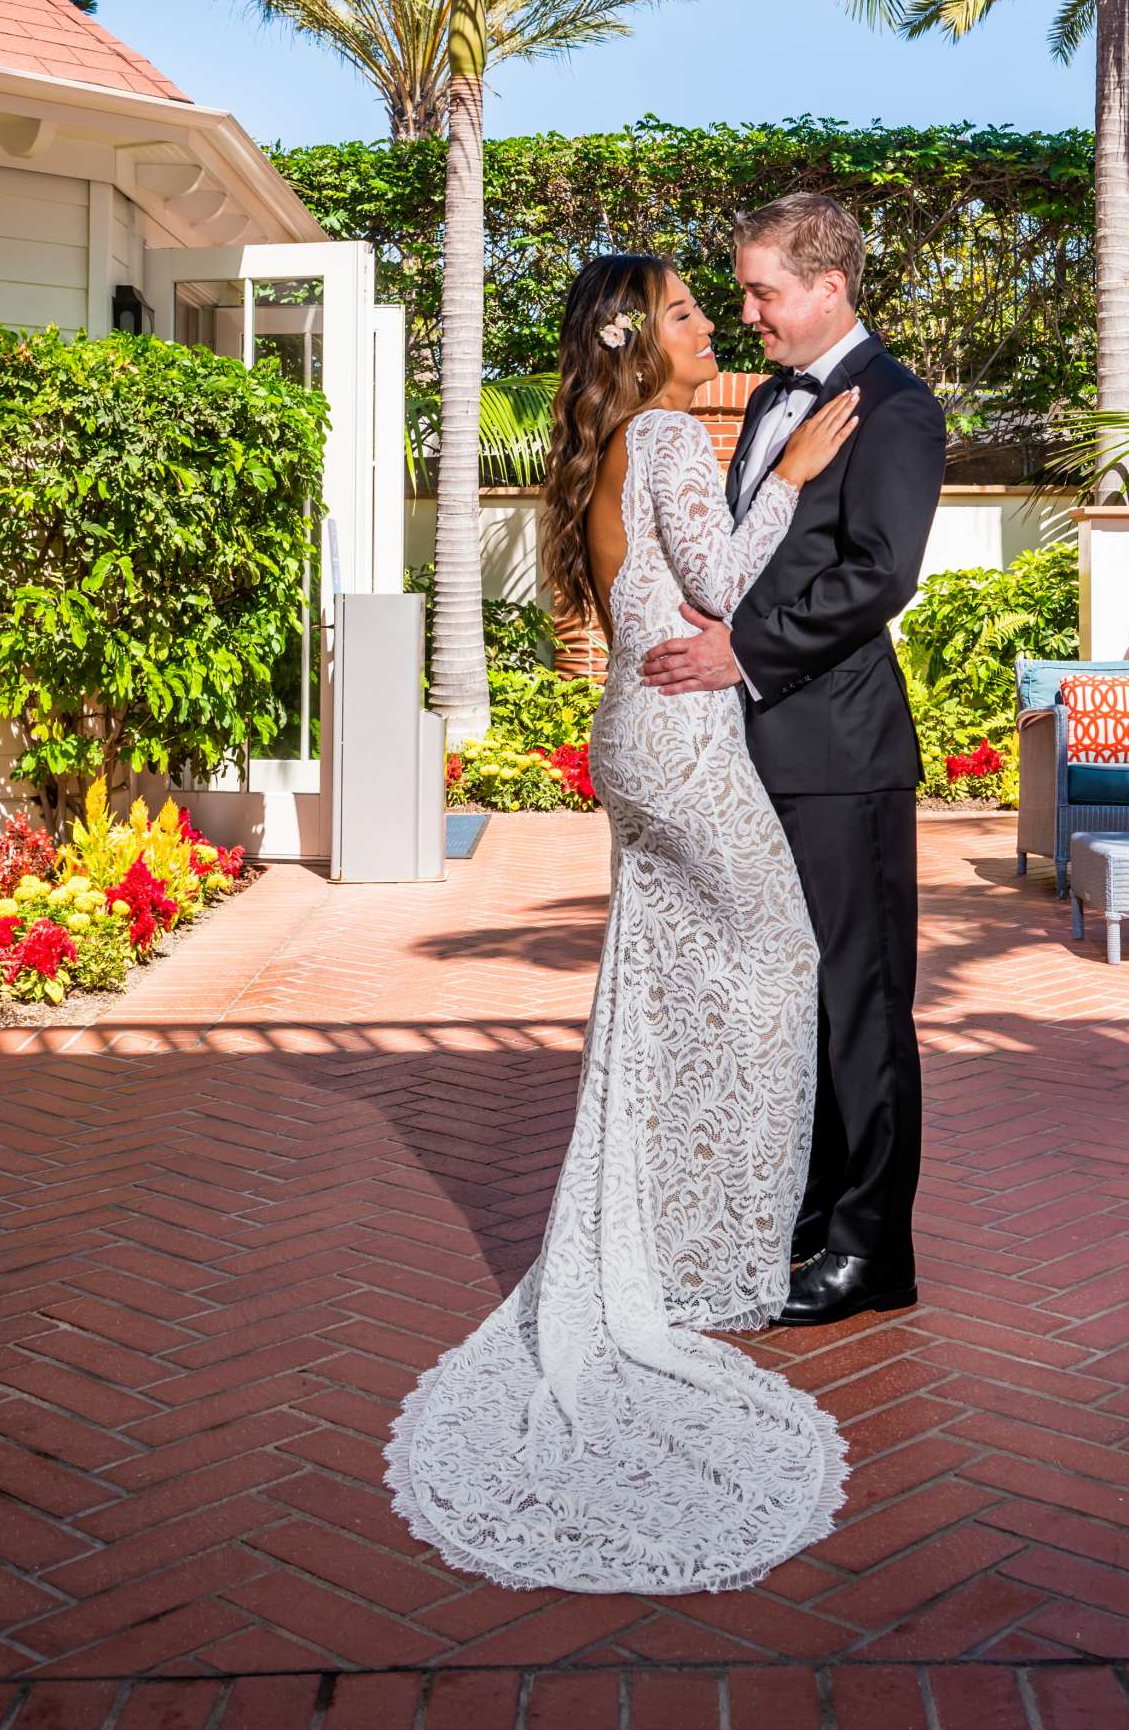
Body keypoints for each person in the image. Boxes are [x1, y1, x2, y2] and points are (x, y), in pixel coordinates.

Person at [385, 253, 859, 1594]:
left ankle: (671, 1240)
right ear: (634, 338)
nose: (710, 325)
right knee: (779, 964)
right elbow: (718, 586)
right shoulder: (659, 431)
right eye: (686, 311)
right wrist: (794, 475)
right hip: (683, 740)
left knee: (666, 987)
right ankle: (714, 1265)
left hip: (636, 737)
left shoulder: (608, 448)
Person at [642, 194, 946, 1328]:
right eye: (745, 291)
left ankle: (876, 1254)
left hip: (843, 754)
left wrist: (740, 652)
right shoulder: (771, 397)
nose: (750, 312)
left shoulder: (902, 411)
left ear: (831, 287)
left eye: (765, 291)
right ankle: (811, 1218)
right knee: (797, 997)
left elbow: (877, 577)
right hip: (759, 746)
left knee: (862, 1004)